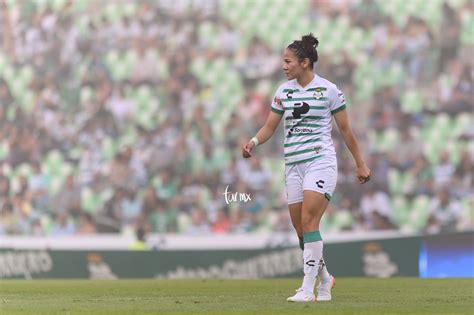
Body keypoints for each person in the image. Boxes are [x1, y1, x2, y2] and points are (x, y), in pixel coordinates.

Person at [242, 34, 371, 302]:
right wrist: (253, 142)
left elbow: (346, 130)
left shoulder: (329, 90)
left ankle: (306, 289)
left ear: (304, 62)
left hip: (320, 161)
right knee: (301, 230)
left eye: (288, 61)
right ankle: (325, 280)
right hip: (293, 165)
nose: (284, 66)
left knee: (310, 221)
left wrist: (360, 162)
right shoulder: (283, 92)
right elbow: (269, 127)